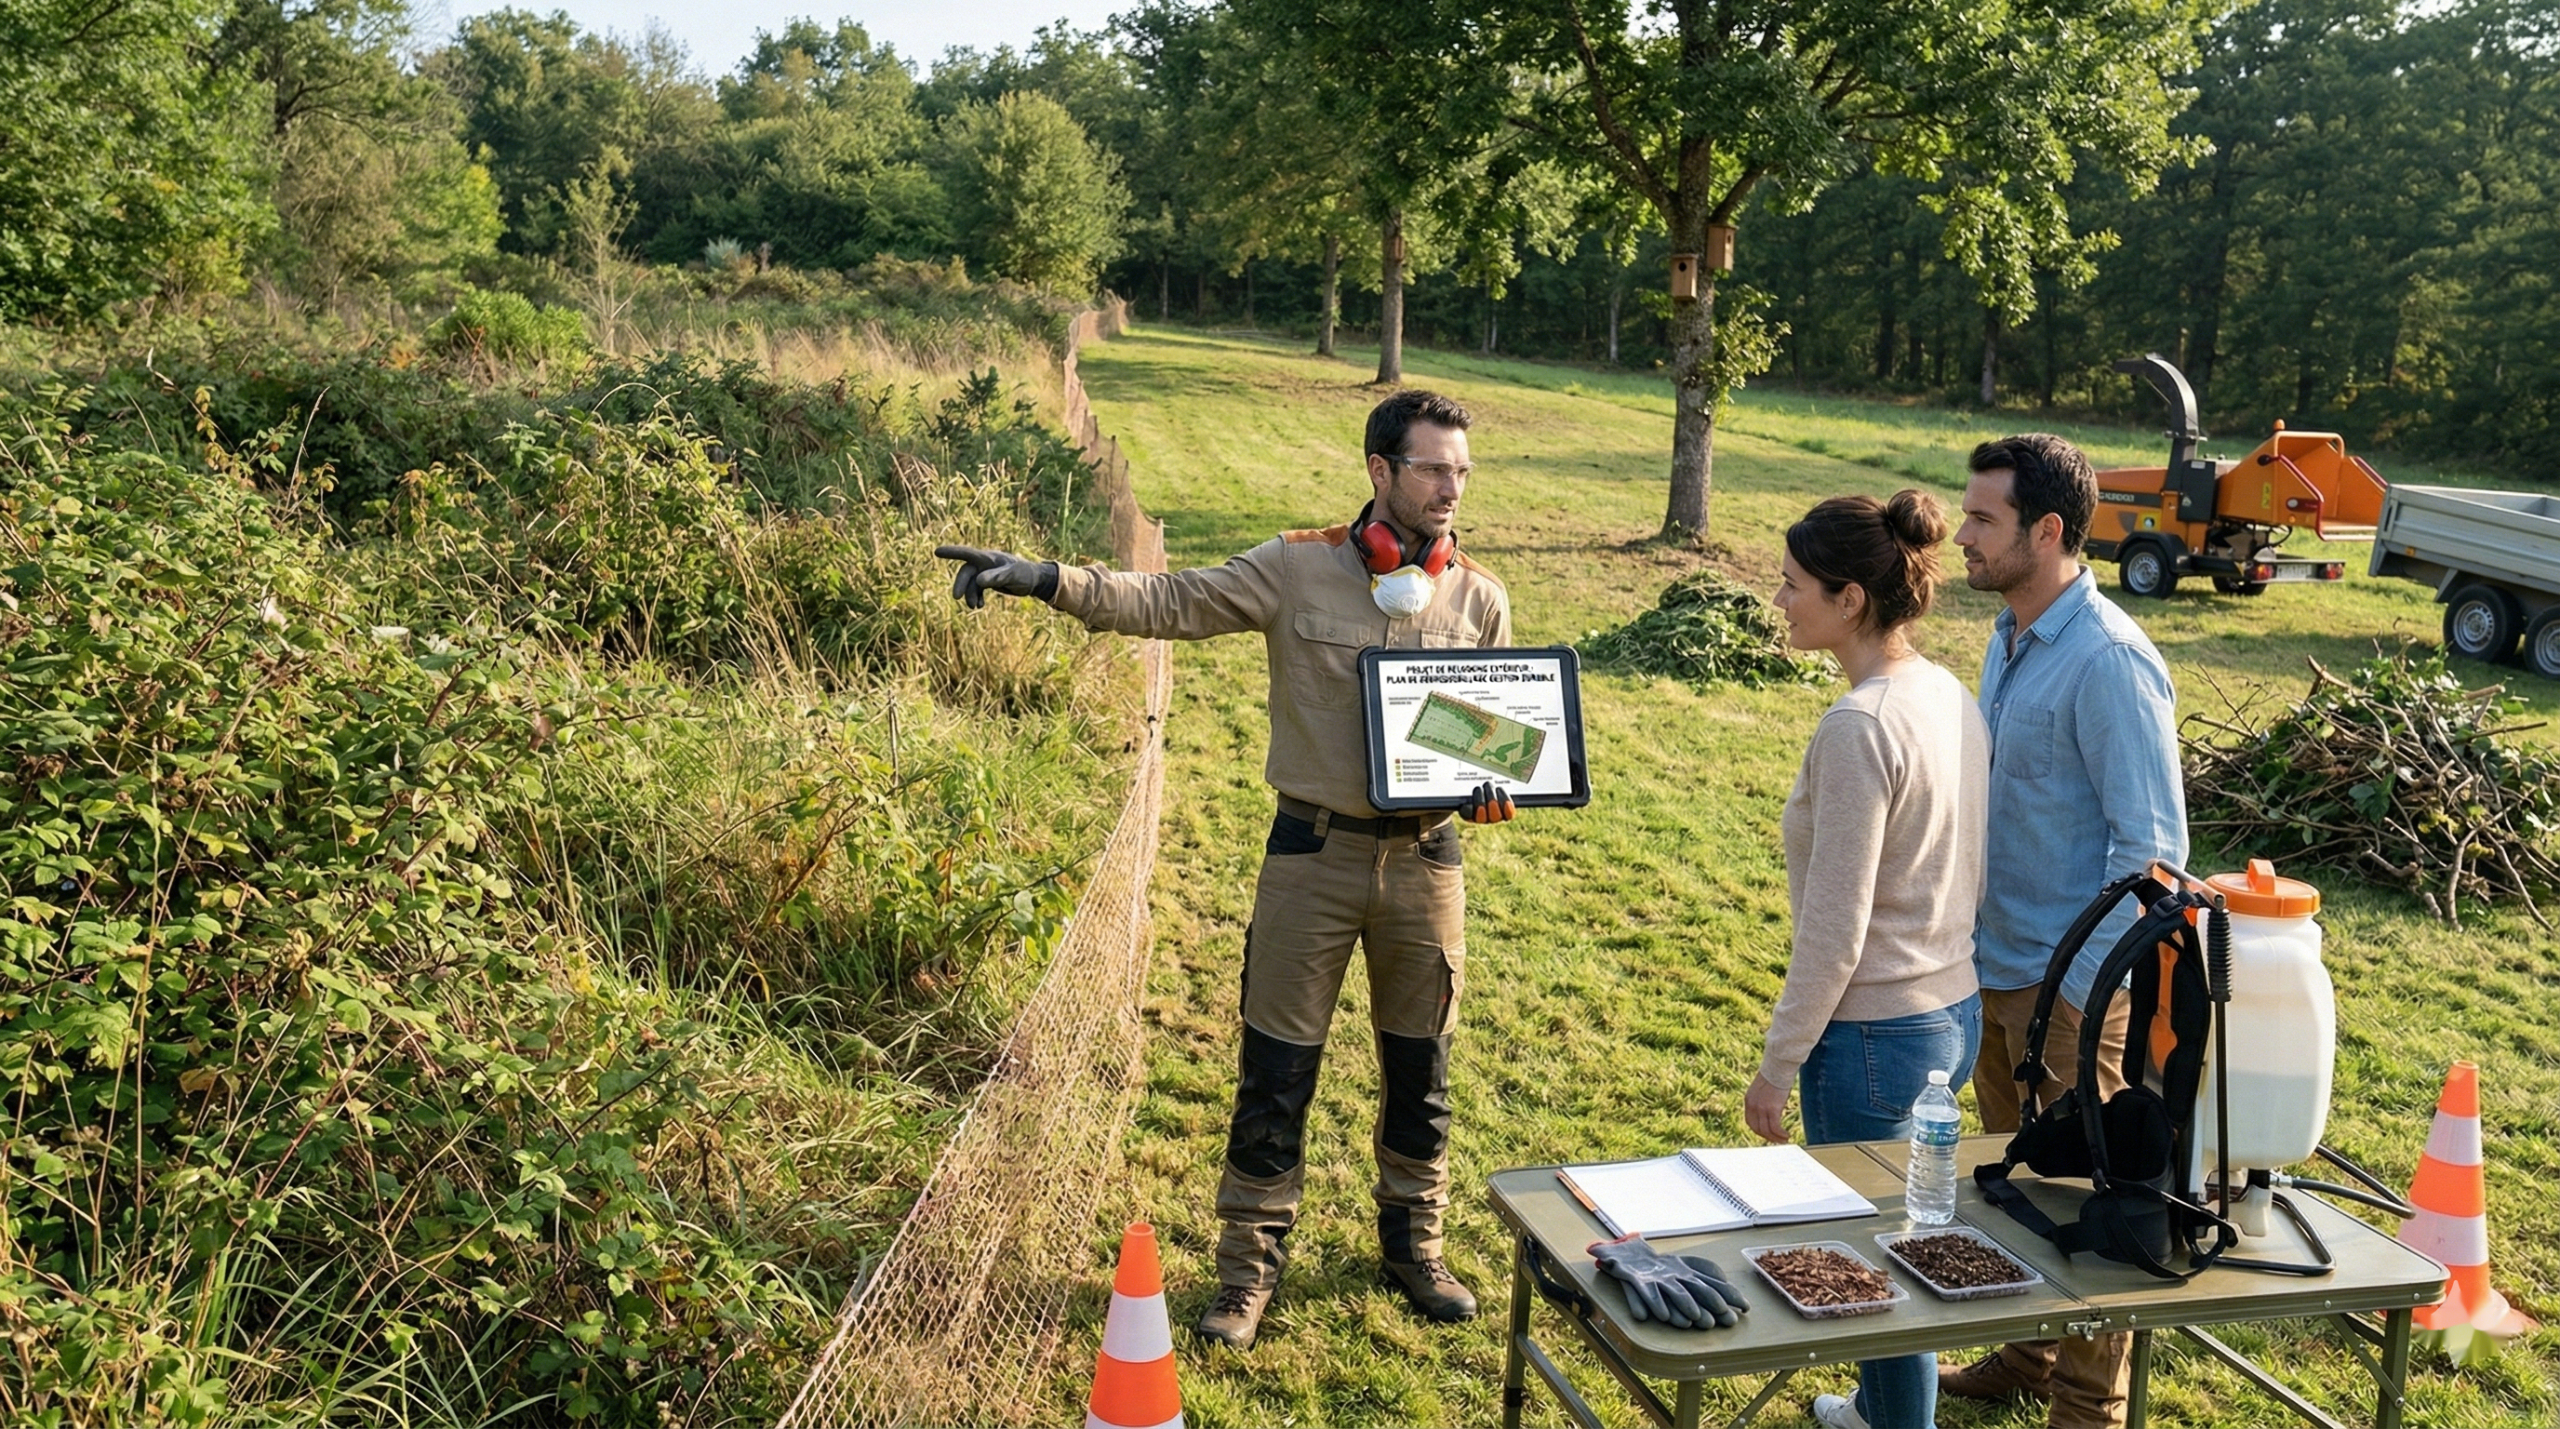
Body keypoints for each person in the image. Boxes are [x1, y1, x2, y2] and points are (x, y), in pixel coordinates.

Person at [936, 390, 1519, 1351]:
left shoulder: (1481, 599)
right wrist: (1046, 579)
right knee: (1276, 1071)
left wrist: (1494, 787)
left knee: (1423, 1070)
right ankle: (1247, 1269)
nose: (1452, 488)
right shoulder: (1293, 566)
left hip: (1427, 863)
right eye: (1432, 469)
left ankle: (1416, 1247)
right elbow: (1170, 601)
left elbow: (1494, 736)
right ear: (1380, 470)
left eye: (1462, 470)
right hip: (1311, 856)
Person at [1940, 434, 2186, 1429]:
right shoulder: (2011, 631)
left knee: (2092, 1200)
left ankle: (2086, 1408)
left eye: (1981, 518)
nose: (1961, 534)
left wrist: (2079, 1003)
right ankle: (2027, 1351)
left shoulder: (2111, 661)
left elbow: (2152, 855)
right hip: (1998, 969)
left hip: (2074, 995)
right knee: (2019, 1178)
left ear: (2046, 531)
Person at [1745, 491, 1987, 1429]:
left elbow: (1836, 928)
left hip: (1875, 1035)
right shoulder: (1944, 690)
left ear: (1849, 599)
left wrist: (1779, 1063)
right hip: (1951, 1012)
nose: (1779, 599)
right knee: (1903, 1239)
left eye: (1792, 584)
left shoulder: (1858, 725)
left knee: (1881, 1264)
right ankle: (1879, 1411)